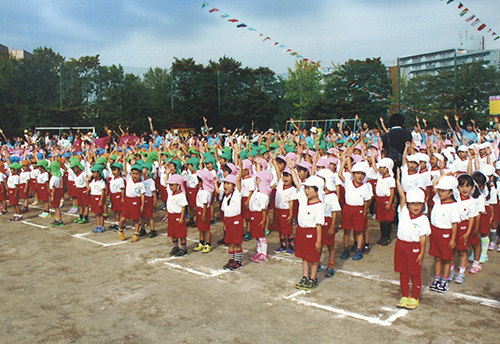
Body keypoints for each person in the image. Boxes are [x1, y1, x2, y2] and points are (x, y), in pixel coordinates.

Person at [394, 173, 430, 310]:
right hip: (400, 245)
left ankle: (414, 297)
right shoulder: (403, 211)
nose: (416, 206)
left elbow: (423, 238)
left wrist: (422, 252)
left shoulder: (423, 220)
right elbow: (402, 195)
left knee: (415, 273)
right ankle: (405, 295)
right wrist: (397, 180)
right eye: (413, 203)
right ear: (408, 204)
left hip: (414, 247)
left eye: (419, 204)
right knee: (403, 272)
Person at [288, 159, 324, 290]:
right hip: (301, 231)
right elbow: (298, 183)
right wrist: (292, 169)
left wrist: (319, 240)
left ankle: (313, 278)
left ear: (317, 190)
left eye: (309, 189)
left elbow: (319, 225)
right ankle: (305, 276)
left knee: (313, 257)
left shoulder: (319, 205)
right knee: (304, 256)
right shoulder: (303, 198)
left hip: (312, 232)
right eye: (306, 188)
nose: (306, 191)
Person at [428, 175, 460, 293]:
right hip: (435, 231)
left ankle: (444, 280)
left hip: (446, 233)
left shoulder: (453, 206)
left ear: (451, 192)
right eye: (440, 190)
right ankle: (437, 278)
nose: (440, 192)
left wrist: (452, 239)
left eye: (444, 190)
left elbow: (455, 224)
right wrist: (445, 175)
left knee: (446, 258)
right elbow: (434, 184)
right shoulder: (437, 199)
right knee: (437, 257)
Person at [338, 158, 372, 261]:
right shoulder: (348, 183)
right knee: (347, 230)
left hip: (359, 210)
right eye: (357, 173)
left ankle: (359, 249)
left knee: (359, 231)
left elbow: (367, 201)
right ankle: (346, 249)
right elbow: (340, 175)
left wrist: (364, 212)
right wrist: (343, 160)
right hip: (348, 208)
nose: (359, 176)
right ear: (353, 174)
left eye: (362, 174)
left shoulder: (365, 187)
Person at [215, 168, 244, 271]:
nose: (225, 186)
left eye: (228, 183)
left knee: (237, 242)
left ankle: (238, 261)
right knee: (230, 242)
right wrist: (225, 225)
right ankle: (231, 260)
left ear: (234, 186)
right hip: (228, 221)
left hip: (236, 220)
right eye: (225, 183)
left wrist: (238, 159)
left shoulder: (237, 194)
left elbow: (239, 179)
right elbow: (225, 213)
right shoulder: (225, 198)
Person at [452, 174, 479, 282]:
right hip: (454, 226)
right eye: (461, 186)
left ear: (472, 187)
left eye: (467, 186)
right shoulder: (455, 198)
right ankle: (451, 270)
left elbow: (472, 219)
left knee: (462, 251)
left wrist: (468, 233)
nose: (464, 189)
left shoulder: (472, 202)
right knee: (452, 250)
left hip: (464, 227)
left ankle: (462, 272)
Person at [316, 168, 341, 278]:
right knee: (319, 244)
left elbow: (334, 213)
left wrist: (332, 227)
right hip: (319, 222)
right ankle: (317, 263)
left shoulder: (332, 196)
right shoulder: (318, 194)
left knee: (330, 245)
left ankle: (331, 265)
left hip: (328, 222)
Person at [248, 171, 272, 263]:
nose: (256, 181)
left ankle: (264, 254)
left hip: (259, 216)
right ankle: (259, 252)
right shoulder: (257, 191)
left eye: (258, 180)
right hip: (253, 215)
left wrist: (263, 220)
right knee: (256, 235)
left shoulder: (264, 195)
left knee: (261, 236)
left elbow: (264, 210)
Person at [118, 164, 145, 242]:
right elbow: (124, 169)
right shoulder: (129, 178)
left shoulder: (141, 184)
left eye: (137, 174)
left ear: (140, 174)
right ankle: (120, 230)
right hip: (127, 200)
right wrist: (124, 159)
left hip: (136, 201)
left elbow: (142, 195)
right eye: (133, 174)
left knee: (136, 219)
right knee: (123, 218)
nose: (135, 176)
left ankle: (136, 234)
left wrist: (142, 205)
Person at [166, 174, 189, 256]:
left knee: (181, 234)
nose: (170, 187)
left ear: (179, 185)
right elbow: (166, 186)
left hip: (178, 216)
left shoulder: (181, 195)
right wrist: (168, 174)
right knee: (173, 233)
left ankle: (183, 249)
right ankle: (175, 247)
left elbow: (183, 207)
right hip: (171, 215)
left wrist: (182, 217)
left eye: (172, 185)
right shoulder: (170, 193)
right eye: (170, 185)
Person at [193, 169, 214, 254]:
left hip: (204, 211)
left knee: (206, 228)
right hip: (199, 210)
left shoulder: (206, 192)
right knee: (201, 228)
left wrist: (204, 215)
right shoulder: (201, 189)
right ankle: (201, 242)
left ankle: (208, 244)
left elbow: (205, 204)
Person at [88, 164, 107, 233]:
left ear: (99, 172)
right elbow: (89, 188)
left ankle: (102, 226)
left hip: (98, 197)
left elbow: (103, 191)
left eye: (95, 172)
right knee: (96, 213)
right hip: (93, 197)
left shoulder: (101, 182)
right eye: (92, 172)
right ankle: (98, 225)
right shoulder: (93, 181)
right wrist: (87, 181)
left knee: (100, 213)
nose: (93, 174)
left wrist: (101, 200)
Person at [108, 162, 125, 231]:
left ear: (120, 171)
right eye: (112, 170)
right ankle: (117, 222)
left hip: (118, 195)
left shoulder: (120, 179)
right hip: (113, 195)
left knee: (120, 210)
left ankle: (122, 224)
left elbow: (122, 189)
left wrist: (123, 197)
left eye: (115, 170)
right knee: (115, 210)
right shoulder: (113, 178)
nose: (113, 172)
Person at [48, 161, 64, 227]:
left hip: (55, 192)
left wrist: (52, 196)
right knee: (56, 207)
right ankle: (57, 218)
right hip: (57, 191)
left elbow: (54, 187)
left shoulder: (54, 177)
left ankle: (59, 219)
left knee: (56, 207)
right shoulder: (58, 176)